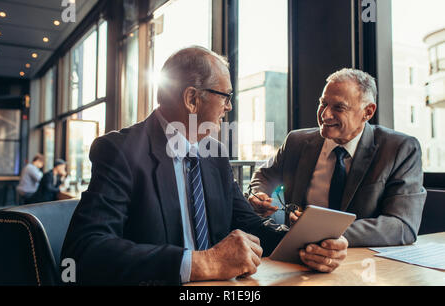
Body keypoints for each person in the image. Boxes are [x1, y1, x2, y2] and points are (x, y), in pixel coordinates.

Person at [61, 46, 348, 286]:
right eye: (225, 96)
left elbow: (248, 224)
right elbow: (84, 250)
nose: (229, 107)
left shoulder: (215, 155)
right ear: (192, 99)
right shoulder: (119, 151)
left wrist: (308, 248)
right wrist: (202, 263)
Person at [249, 68, 426, 247]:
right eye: (323, 103)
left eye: (339, 107)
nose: (325, 114)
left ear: (368, 112)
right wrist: (259, 195)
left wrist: (323, 231)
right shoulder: (297, 141)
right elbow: (264, 175)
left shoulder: (400, 149)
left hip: (363, 262)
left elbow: (402, 225)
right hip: (297, 255)